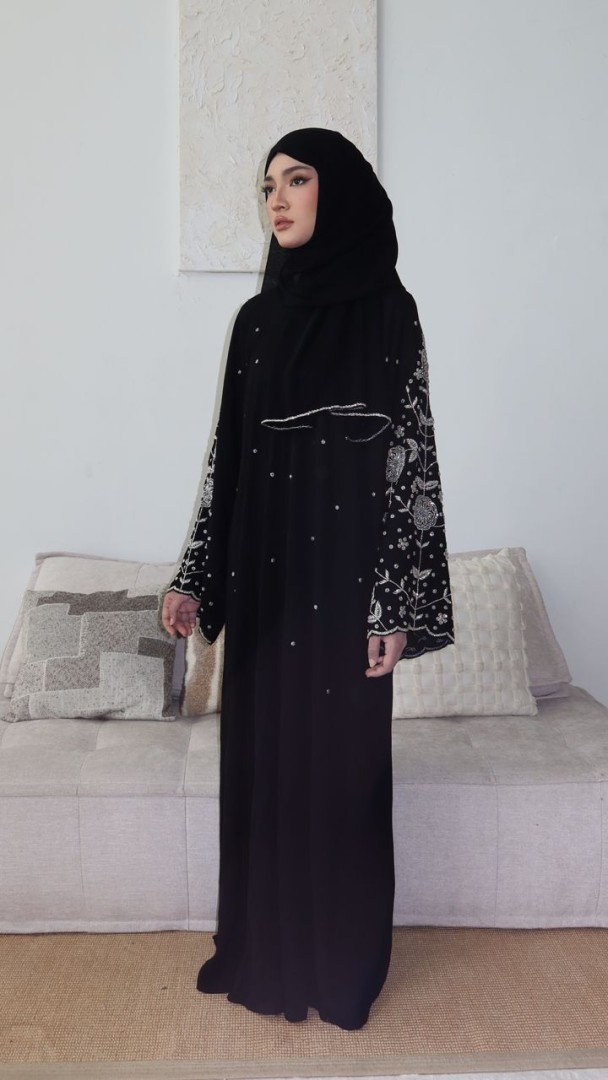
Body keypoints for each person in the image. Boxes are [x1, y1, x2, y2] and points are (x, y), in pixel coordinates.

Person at [161, 127, 455, 1030]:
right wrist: (195, 576)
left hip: (349, 592)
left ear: (342, 193)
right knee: (268, 772)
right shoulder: (257, 323)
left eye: (296, 180)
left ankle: (341, 966)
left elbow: (410, 461)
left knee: (340, 777)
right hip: (267, 585)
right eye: (267, 187)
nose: (276, 200)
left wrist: (394, 605)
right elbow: (229, 459)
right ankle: (266, 953)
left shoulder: (391, 315)